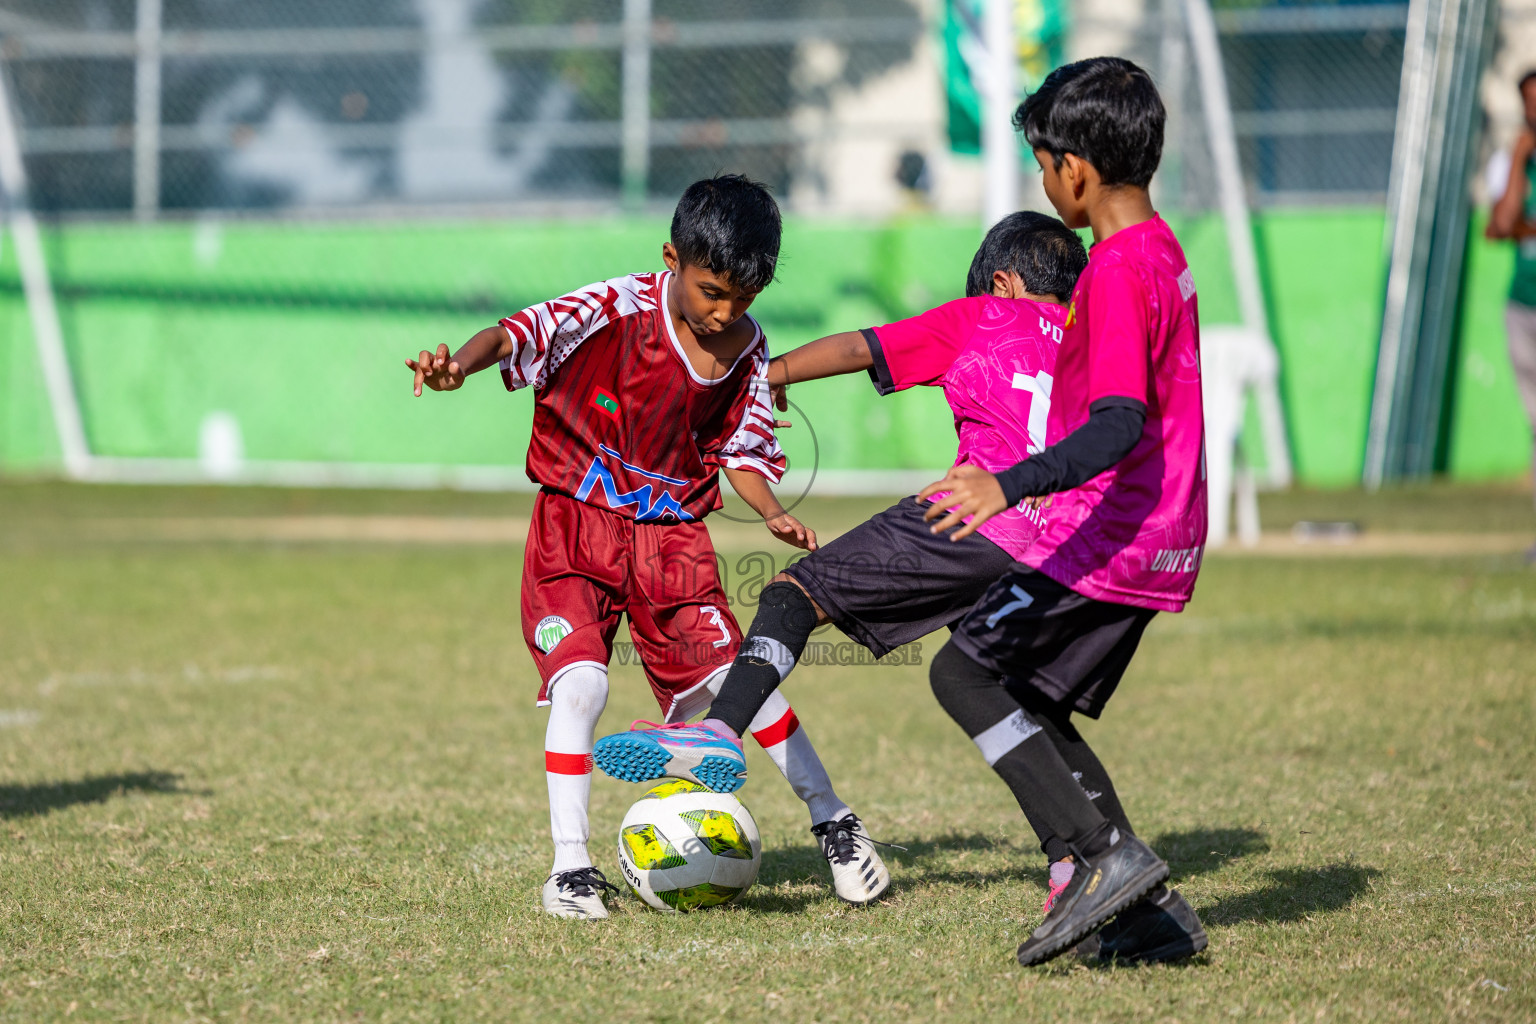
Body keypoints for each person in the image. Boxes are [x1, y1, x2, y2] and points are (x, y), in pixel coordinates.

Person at [405, 175, 889, 917]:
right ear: (672, 258)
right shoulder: (612, 309)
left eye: (745, 297)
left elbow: (746, 449)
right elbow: (516, 332)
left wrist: (769, 512)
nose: (726, 311)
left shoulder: (749, 349)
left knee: (737, 688)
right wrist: (456, 370)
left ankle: (835, 822)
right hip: (575, 526)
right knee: (582, 687)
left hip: (672, 544)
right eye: (711, 292)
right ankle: (570, 870)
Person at [596, 210, 1103, 915]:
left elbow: (862, 348)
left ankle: (715, 731)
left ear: (1002, 281)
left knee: (795, 592)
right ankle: (1092, 857)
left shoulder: (986, 314)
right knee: (1026, 702)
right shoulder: (1094, 343)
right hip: (1071, 551)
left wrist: (769, 372)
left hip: (979, 516)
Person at [916, 56, 1210, 966]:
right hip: (1166, 533)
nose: (1046, 185)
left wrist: (1008, 484)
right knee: (1028, 689)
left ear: (1073, 167)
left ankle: (1101, 857)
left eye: (1044, 166)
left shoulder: (1117, 270)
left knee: (963, 674)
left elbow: (1119, 422)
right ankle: (1148, 917)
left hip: (1116, 534)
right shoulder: (1163, 248)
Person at [1485, 68, 1536, 561]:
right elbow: (1500, 225)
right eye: (1529, 101)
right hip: (1524, 304)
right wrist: (1521, 158)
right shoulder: (1513, 158)